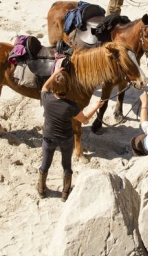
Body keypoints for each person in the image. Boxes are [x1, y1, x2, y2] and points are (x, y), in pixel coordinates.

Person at [38, 67, 105, 201]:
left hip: (48, 138)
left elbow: (44, 86)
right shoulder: (72, 106)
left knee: (45, 164)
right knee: (67, 166)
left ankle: (41, 189)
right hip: (66, 139)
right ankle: (65, 192)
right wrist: (96, 107)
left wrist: (55, 74)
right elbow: (85, 119)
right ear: (69, 88)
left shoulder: (46, 98)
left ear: (53, 87)